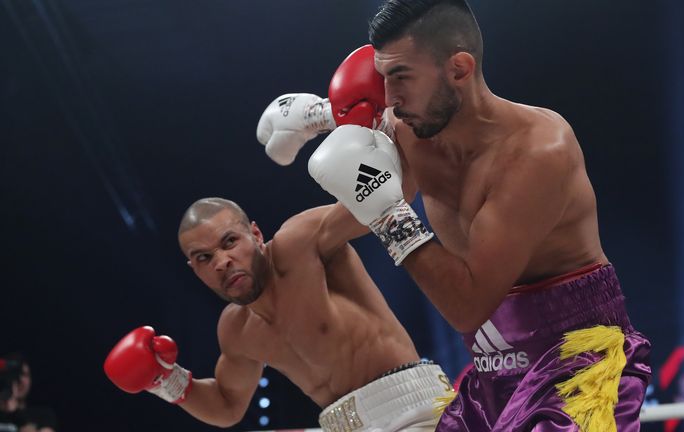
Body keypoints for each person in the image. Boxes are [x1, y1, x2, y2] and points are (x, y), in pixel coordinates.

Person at [256, 1, 652, 430]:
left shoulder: (537, 153)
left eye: (401, 77)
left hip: (576, 360)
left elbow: (467, 305)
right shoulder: (411, 127)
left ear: (459, 69)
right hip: (491, 371)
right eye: (383, 76)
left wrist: (389, 213)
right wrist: (318, 115)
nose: (389, 96)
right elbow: (352, 208)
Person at [104, 198, 453, 432]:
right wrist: (166, 381)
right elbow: (227, 406)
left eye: (229, 242)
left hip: (417, 410)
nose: (222, 262)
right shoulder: (236, 330)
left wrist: (351, 126)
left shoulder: (300, 245)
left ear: (255, 234)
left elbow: (384, 198)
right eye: (203, 258)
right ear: (194, 269)